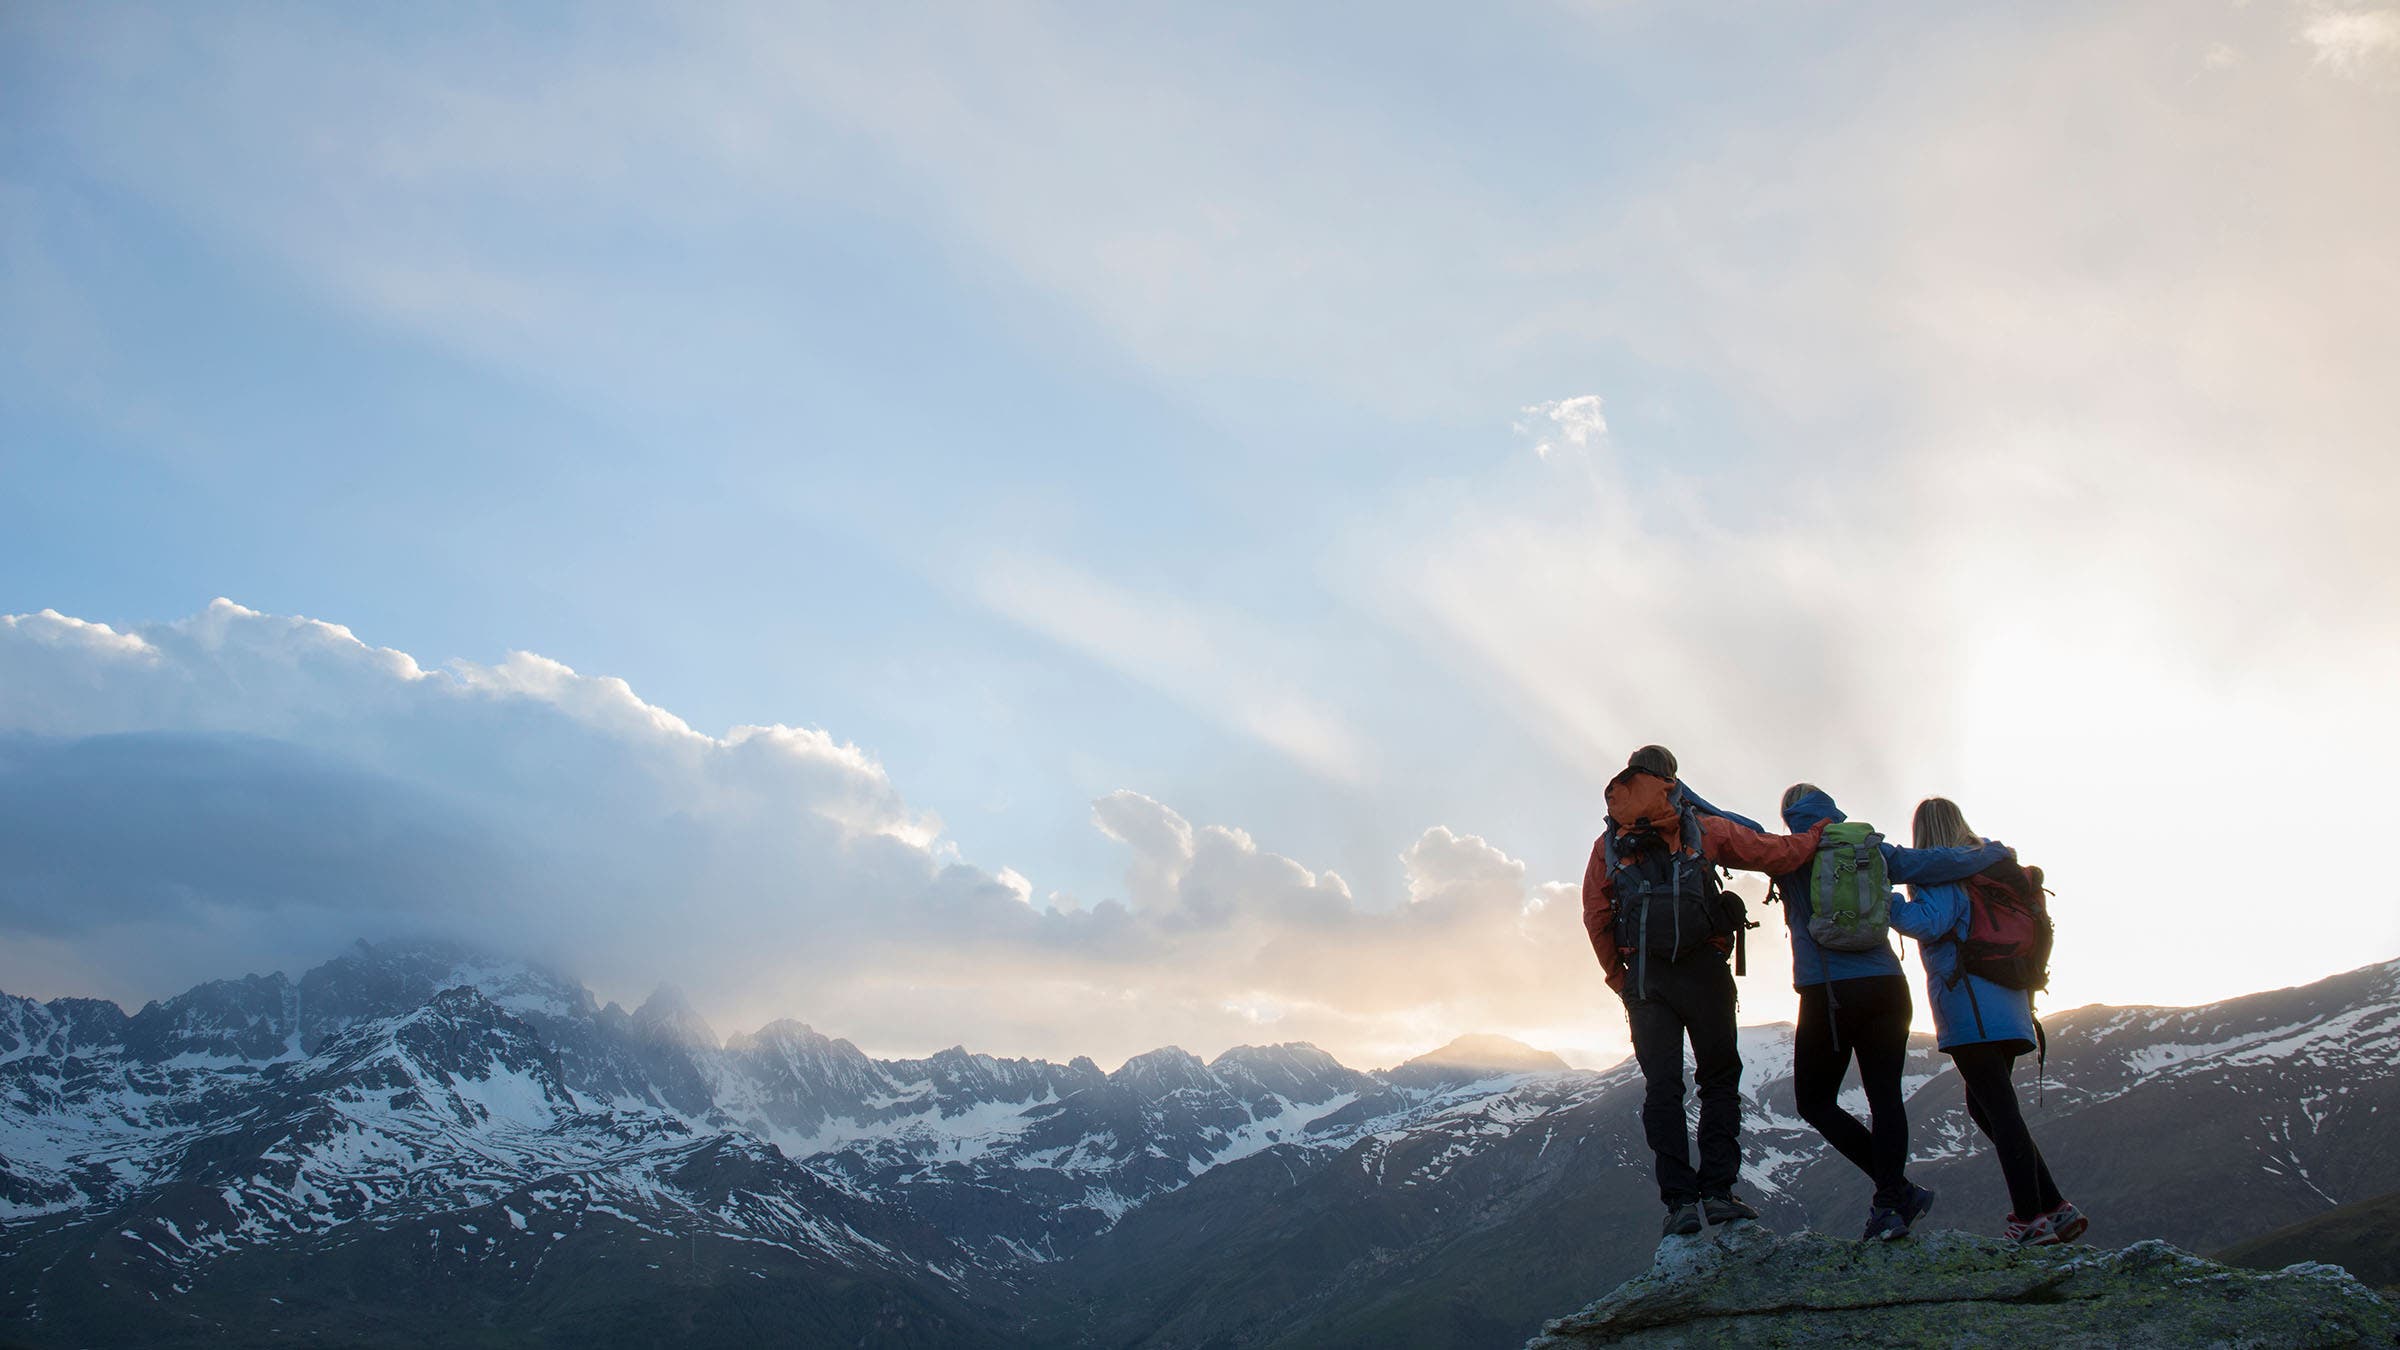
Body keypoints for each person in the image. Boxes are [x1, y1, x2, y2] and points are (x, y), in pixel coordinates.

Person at [1584, 753, 1826, 1238]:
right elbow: (1774, 853)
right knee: (1718, 1079)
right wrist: (1816, 835)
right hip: (1704, 974)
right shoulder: (1698, 827)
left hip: (1647, 979)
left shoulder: (1609, 843)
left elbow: (1596, 915)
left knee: (1663, 1088)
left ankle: (1679, 1203)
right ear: (1671, 779)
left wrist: (1622, 980)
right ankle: (1717, 1193)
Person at [1776, 783, 2010, 1240]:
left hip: (1829, 993)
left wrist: (1677, 792)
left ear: (1788, 815)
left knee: (1814, 1101)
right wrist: (1992, 851)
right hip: (1886, 986)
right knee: (1885, 1096)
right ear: (1833, 809)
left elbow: (1730, 828)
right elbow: (1939, 861)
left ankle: (1897, 1190)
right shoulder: (1872, 849)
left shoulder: (1784, 852)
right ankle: (1891, 1199)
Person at [1888, 796, 2088, 1246]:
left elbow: (1928, 923)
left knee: (1998, 1109)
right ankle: (2055, 1207)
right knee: (1988, 1107)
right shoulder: (1992, 872)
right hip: (2012, 1007)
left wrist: (1884, 901)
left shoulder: (1945, 877)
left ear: (1924, 836)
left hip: (1970, 1009)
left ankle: (2030, 1217)